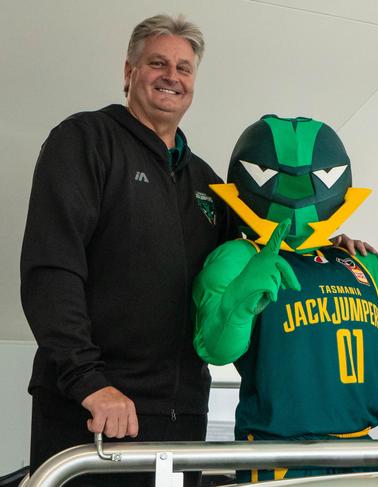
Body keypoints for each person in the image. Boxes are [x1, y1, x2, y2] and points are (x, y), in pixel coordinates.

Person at [20, 14, 238, 486]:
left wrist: (332, 243)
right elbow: (51, 269)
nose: (171, 76)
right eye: (157, 63)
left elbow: (249, 264)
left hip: (182, 417)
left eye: (184, 68)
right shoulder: (85, 141)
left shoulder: (207, 181)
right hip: (96, 411)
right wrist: (89, 382)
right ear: (128, 72)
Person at [192, 114, 378, 482]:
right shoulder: (239, 256)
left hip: (361, 449)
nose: (297, 191)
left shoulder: (355, 260)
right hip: (280, 452)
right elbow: (214, 349)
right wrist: (240, 297)